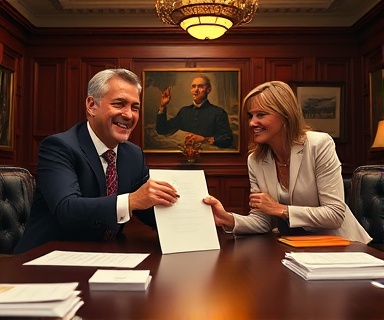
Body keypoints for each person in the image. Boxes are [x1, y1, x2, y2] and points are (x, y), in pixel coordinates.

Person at [14, 69, 180, 254]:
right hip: (45, 261)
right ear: (92, 105)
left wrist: (201, 218)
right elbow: (67, 209)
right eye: (119, 104)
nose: (129, 115)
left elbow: (147, 208)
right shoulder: (59, 147)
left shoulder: (133, 155)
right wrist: (132, 200)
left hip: (104, 255)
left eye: (135, 107)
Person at [203, 81, 372, 243]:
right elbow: (262, 221)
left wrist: (280, 209)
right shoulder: (255, 160)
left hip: (341, 246)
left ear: (285, 116)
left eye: (261, 114)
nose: (252, 123)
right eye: (250, 116)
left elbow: (334, 215)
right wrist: (227, 219)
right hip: (296, 248)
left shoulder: (318, 144)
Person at [156, 75, 233, 148]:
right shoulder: (184, 112)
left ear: (208, 90)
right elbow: (162, 130)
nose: (196, 90)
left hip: (209, 158)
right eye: (193, 86)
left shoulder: (218, 112)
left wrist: (205, 140)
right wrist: (163, 106)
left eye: (200, 86)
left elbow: (228, 139)